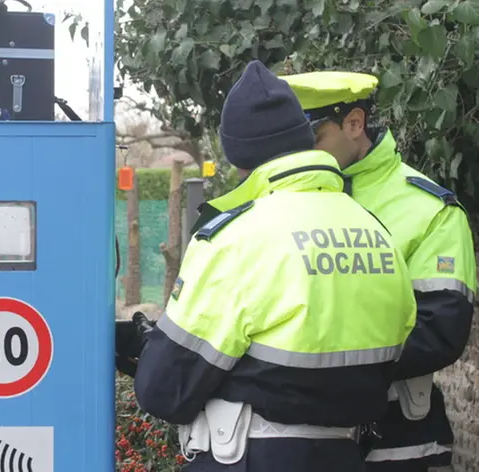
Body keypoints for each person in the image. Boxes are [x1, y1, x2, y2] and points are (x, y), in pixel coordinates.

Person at [131, 60, 418, 472]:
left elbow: (166, 390)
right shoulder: (374, 229)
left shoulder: (237, 238)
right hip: (347, 456)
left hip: (250, 457)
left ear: (238, 154)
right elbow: (401, 337)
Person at [279, 70, 477, 472]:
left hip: (397, 442)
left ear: (355, 124)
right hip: (295, 440)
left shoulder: (429, 210)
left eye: (314, 141)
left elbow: (439, 331)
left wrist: (312, 357)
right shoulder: (282, 201)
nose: (303, 156)